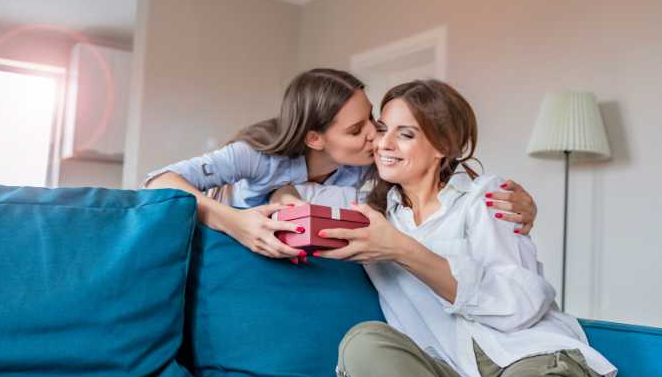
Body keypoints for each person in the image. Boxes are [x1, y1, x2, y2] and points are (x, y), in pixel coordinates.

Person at [297, 80, 616, 377]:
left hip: (532, 363)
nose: (383, 144)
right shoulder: (368, 211)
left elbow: (520, 306)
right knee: (363, 345)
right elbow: (263, 189)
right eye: (383, 130)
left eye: (405, 134)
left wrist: (402, 250)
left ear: (443, 146)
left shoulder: (486, 198)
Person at [144, 68, 538, 263]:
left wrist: (515, 206)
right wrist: (234, 220)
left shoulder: (372, 165)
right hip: (238, 257)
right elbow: (159, 181)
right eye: (357, 130)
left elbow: (437, 178)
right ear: (315, 139)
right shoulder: (257, 153)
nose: (376, 136)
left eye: (373, 119)